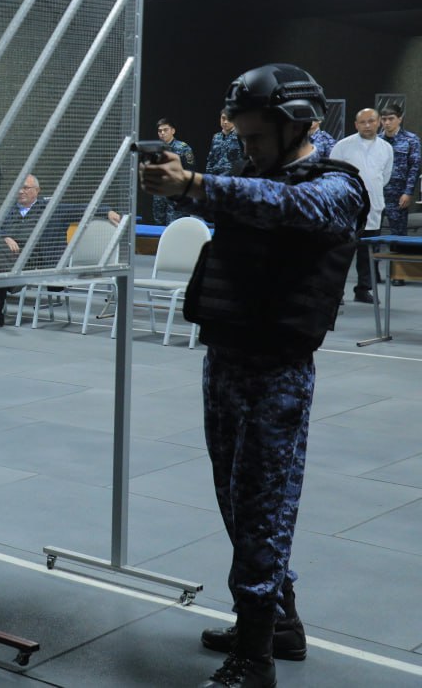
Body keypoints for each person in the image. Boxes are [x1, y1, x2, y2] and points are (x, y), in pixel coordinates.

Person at [142, 63, 366, 688]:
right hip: (226, 358)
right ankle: (277, 625)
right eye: (241, 137)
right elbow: (236, 200)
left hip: (276, 372)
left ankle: (256, 657)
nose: (248, 149)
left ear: (298, 127)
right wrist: (181, 182)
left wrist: (195, 182)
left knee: (265, 509)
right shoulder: (249, 176)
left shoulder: (336, 186)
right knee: (237, 502)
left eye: (257, 138)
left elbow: (287, 206)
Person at [0, 174, 57, 329]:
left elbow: (81, 209)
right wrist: (5, 237)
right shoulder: (8, 209)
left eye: (25, 187)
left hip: (31, 255)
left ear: (37, 190)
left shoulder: (49, 208)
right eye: (19, 188)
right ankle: (12, 280)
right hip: (6, 252)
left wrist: (105, 211)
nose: (20, 191)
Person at [331, 108, 393, 303]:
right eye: (363, 122)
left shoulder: (386, 148)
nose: (367, 125)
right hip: (348, 208)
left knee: (368, 253)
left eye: (371, 121)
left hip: (373, 207)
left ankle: (363, 289)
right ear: (356, 125)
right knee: (342, 252)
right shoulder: (343, 146)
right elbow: (332, 174)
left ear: (378, 122)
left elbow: (385, 177)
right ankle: (336, 293)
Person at [378, 102, 420, 285]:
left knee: (398, 236)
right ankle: (372, 273)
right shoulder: (377, 140)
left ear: (399, 119)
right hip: (378, 194)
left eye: (391, 119)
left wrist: (408, 192)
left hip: (398, 194)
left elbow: (414, 168)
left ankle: (398, 274)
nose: (387, 123)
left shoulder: (411, 140)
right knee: (374, 234)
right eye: (384, 119)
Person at [151, 118, 196, 225]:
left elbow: (190, 172)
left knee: (174, 225)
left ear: (173, 131)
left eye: (165, 130)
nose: (162, 133)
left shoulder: (183, 148)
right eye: (160, 131)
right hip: (159, 193)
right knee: (158, 225)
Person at [205, 111, 245, 176]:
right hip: (216, 176)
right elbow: (211, 160)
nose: (225, 122)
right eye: (223, 118)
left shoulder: (241, 136)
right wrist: (208, 177)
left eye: (229, 119)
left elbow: (244, 160)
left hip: (232, 177)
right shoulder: (216, 137)